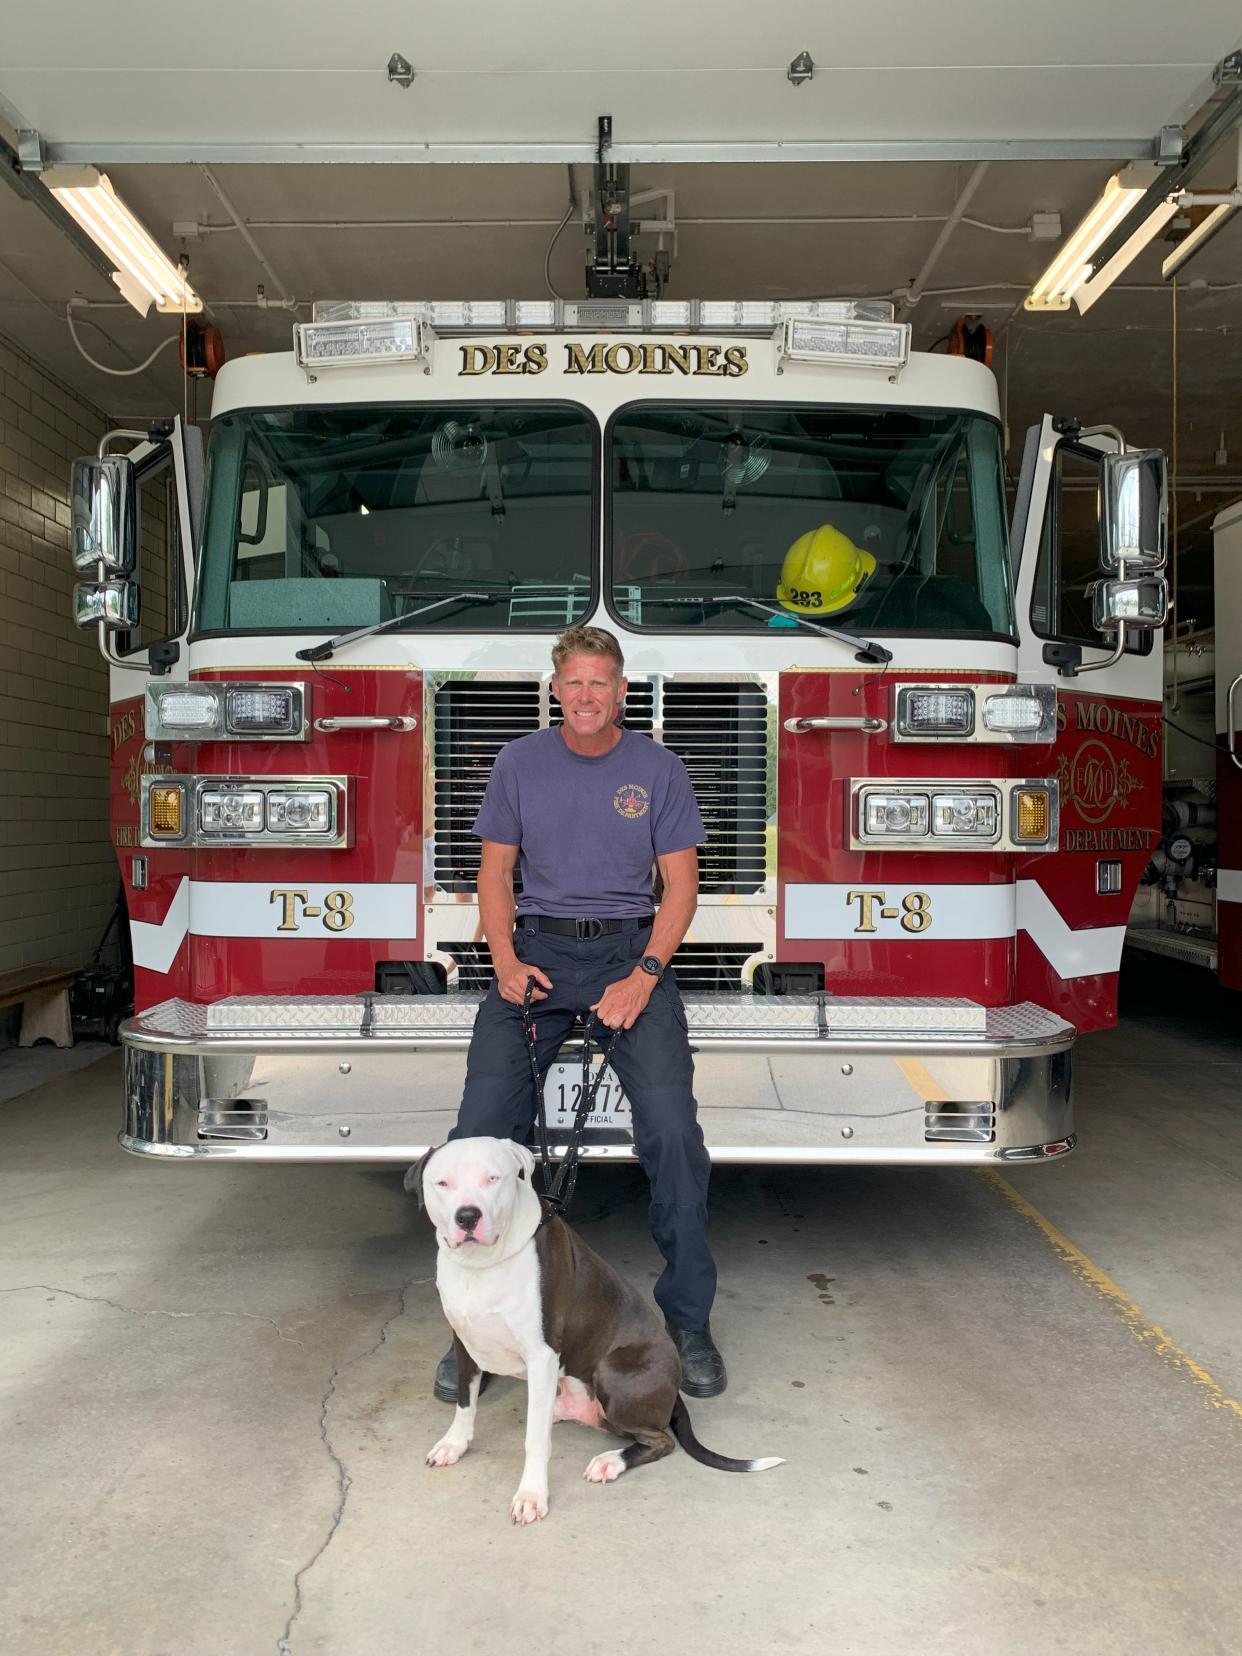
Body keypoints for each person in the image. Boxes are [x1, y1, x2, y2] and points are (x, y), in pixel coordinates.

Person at [432, 623, 725, 1401]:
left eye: (602, 682)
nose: (587, 696)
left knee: (672, 1132)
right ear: (554, 689)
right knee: (479, 1134)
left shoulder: (657, 769)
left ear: (622, 690)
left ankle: (687, 1321)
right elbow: (495, 874)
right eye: (574, 683)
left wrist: (644, 977)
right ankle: (473, 1337)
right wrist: (504, 962)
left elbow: (681, 888)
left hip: (629, 956)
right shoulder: (519, 763)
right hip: (536, 956)